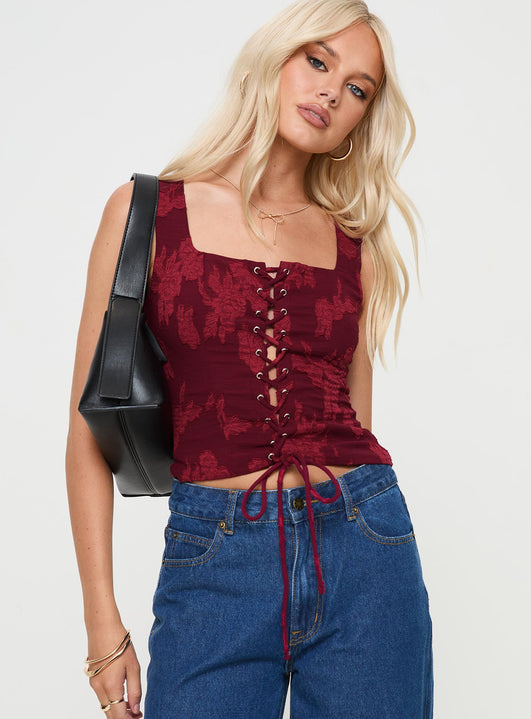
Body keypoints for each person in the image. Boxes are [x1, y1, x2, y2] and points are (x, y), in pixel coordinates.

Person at [65, 1, 433, 716]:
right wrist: (101, 623)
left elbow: (356, 419)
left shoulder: (353, 243)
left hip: (365, 548)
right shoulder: (146, 212)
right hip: (214, 558)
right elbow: (88, 428)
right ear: (274, 59)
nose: (330, 91)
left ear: (362, 118)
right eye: (317, 61)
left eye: (356, 88)